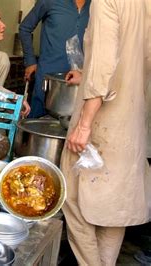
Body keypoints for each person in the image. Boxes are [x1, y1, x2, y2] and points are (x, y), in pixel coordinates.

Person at [60, 0, 150, 265]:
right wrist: (86, 74)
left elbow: (103, 64)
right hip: (134, 120)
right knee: (115, 202)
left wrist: (84, 124)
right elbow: (130, 55)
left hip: (104, 120)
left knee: (71, 194)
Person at [19, 0, 90, 118]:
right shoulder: (49, 2)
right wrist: (30, 61)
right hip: (47, 79)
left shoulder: (96, 6)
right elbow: (25, 28)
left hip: (80, 81)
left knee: (74, 125)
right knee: (38, 124)